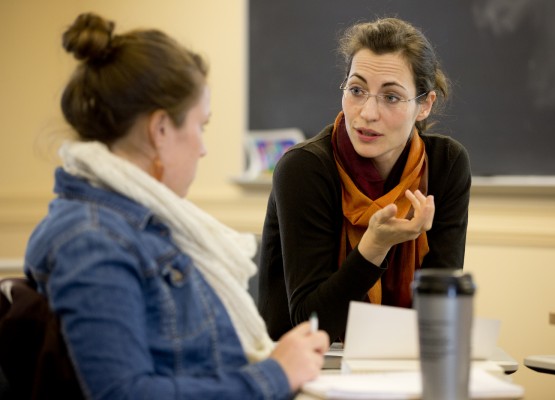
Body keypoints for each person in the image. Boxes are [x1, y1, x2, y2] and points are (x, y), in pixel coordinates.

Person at [24, 12, 329, 399]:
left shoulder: (137, 224)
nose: (202, 147)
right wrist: (275, 374)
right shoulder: (93, 240)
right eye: (200, 126)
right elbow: (124, 394)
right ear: (161, 129)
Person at [258, 17, 471, 341]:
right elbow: (310, 323)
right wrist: (375, 246)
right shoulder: (304, 169)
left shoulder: (445, 165)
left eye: (391, 97)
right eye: (356, 90)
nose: (367, 113)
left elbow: (441, 309)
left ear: (425, 104)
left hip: (401, 359)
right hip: (307, 365)